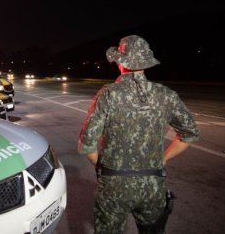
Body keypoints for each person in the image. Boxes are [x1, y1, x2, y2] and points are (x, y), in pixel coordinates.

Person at [77, 35, 200, 233]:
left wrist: (103, 168)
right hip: (152, 186)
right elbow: (190, 133)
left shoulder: (109, 93)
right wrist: (163, 159)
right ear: (146, 63)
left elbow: (87, 145)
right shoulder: (165, 94)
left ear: (120, 63)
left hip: (113, 185)